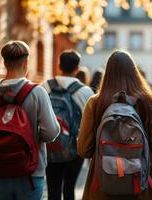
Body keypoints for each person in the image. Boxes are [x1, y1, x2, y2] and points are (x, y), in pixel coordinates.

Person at [0, 40, 60, 200]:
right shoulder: (38, 93)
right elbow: (51, 133)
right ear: (26, 62)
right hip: (30, 173)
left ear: (4, 62)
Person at [77, 50, 152, 200]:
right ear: (134, 73)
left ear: (107, 74)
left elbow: (83, 150)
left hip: (101, 188)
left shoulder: (95, 103)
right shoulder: (147, 102)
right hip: (140, 188)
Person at [42, 50, 94, 200]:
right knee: (69, 188)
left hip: (49, 147)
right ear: (77, 69)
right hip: (75, 149)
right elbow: (90, 123)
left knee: (53, 190)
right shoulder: (85, 92)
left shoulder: (45, 87)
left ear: (59, 65)